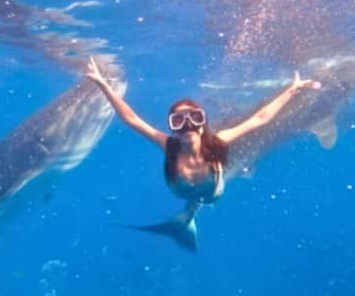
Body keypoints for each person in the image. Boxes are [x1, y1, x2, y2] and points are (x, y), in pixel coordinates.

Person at [86, 57, 320, 251]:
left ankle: (185, 220)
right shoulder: (168, 145)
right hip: (184, 191)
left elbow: (260, 119)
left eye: (194, 118)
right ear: (173, 128)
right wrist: (102, 84)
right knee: (197, 194)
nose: (188, 125)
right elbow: (131, 119)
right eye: (179, 121)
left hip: (211, 194)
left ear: (202, 124)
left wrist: (292, 90)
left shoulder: (219, 141)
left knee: (206, 192)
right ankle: (185, 221)